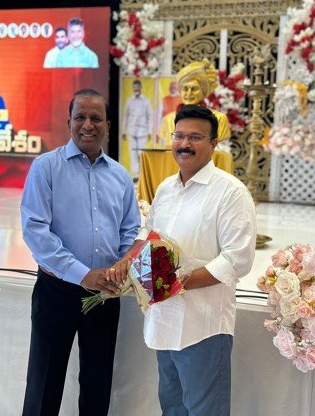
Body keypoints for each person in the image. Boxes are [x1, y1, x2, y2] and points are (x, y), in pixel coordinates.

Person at [111, 105, 256, 415]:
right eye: (179, 136)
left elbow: (238, 259)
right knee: (172, 407)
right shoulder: (166, 189)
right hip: (164, 319)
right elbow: (147, 233)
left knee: (204, 410)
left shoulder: (231, 192)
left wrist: (180, 282)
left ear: (214, 143)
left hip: (202, 326)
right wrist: (128, 262)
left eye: (195, 137)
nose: (184, 144)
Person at [20, 89, 140, 416]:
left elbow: (131, 230)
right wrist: (83, 274)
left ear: (108, 126)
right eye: (80, 117)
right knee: (44, 381)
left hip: (105, 295)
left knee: (97, 381)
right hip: (57, 291)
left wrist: (121, 265)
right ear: (69, 123)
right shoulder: (45, 167)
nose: (88, 125)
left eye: (96, 118)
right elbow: (35, 231)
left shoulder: (120, 176)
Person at [159, 59, 231, 148]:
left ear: (204, 91)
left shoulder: (219, 119)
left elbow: (221, 153)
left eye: (194, 89)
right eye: (185, 89)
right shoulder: (168, 119)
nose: (189, 93)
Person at [121, 79, 152, 179]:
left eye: (138, 87)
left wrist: (150, 131)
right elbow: (126, 116)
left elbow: (150, 116)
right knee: (133, 153)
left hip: (143, 131)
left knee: (141, 153)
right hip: (131, 130)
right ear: (133, 88)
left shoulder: (146, 101)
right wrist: (123, 131)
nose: (136, 89)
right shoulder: (129, 100)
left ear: (141, 87)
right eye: (134, 87)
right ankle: (135, 175)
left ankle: (142, 174)